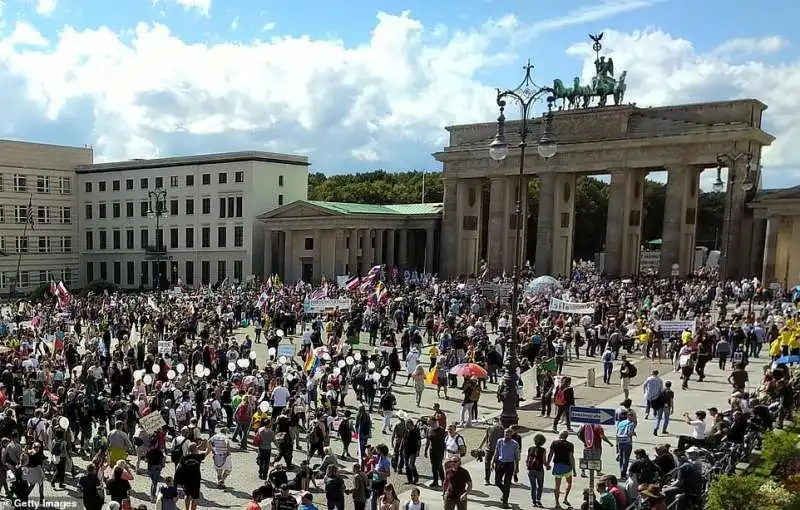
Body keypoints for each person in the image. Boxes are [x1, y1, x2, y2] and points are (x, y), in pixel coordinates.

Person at [546, 430, 575, 509]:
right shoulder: (570, 445)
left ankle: (557, 503)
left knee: (557, 485)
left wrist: (547, 464)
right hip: (567, 467)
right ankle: (565, 498)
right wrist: (574, 469)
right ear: (566, 436)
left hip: (557, 466)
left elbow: (550, 454)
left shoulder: (554, 443)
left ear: (560, 435)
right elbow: (571, 457)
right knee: (569, 482)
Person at [492, 427, 520, 508]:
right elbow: (496, 452)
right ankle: (505, 493)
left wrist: (517, 467)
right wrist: (493, 462)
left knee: (507, 483)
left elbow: (516, 457)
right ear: (504, 434)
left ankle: (505, 501)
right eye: (505, 433)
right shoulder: (500, 441)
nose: (507, 435)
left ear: (511, 434)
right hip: (500, 463)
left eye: (508, 434)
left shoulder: (515, 444)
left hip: (509, 465)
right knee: (497, 482)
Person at [526, 433, 547, 508]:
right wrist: (547, 466)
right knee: (540, 485)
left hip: (531, 469)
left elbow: (527, 459)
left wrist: (527, 467)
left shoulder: (530, 448)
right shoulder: (543, 450)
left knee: (533, 486)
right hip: (539, 469)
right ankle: (538, 499)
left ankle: (533, 501)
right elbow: (544, 461)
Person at [615, 409, 636, 479]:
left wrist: (617, 445)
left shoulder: (621, 423)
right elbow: (629, 433)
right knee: (626, 459)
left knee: (621, 458)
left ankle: (621, 471)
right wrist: (633, 433)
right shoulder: (631, 423)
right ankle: (623, 474)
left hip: (620, 441)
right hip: (627, 443)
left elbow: (617, 432)